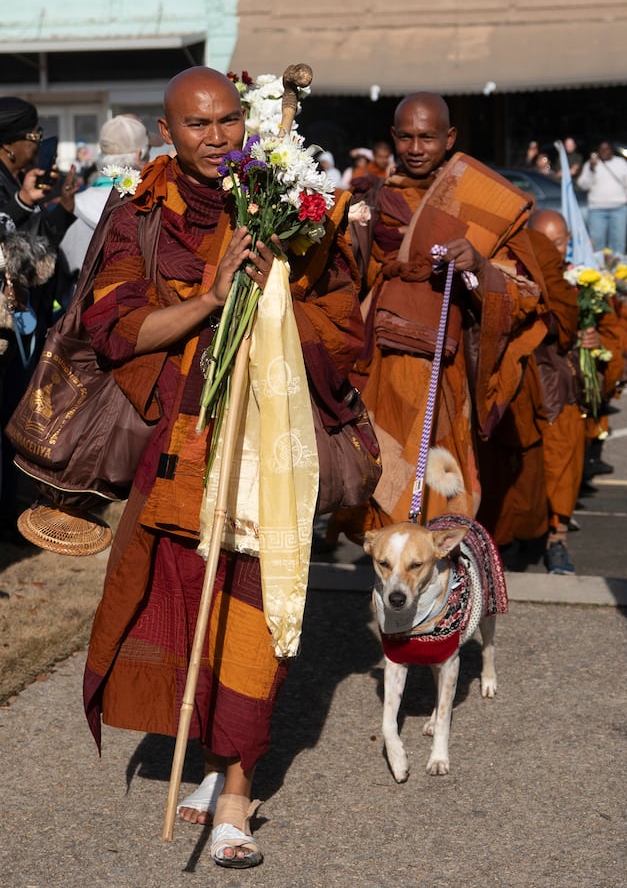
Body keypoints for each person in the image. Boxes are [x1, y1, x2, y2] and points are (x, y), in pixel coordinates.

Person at [82, 66, 364, 868]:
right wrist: (212, 300)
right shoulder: (141, 212)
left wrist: (276, 298)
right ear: (167, 133)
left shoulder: (288, 201)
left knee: (251, 610)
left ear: (249, 120)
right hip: (182, 445)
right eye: (197, 126)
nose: (216, 140)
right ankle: (207, 760)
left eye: (228, 122)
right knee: (183, 611)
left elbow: (344, 320)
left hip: (267, 450)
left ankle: (235, 797)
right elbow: (115, 331)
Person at [333, 92, 545, 532]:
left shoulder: (482, 202)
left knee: (440, 467)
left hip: (445, 367)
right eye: (406, 137)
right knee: (382, 464)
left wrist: (480, 267)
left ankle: (443, 571)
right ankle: (394, 572)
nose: (415, 148)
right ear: (392, 138)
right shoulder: (372, 199)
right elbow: (347, 277)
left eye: (427, 137)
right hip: (382, 361)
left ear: (449, 138)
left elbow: (526, 291)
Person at [475, 209, 581, 573]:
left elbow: (565, 316)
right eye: (547, 240)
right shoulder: (483, 241)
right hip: (488, 369)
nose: (553, 247)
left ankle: (556, 536)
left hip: (541, 371)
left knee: (553, 457)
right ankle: (497, 542)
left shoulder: (542, 255)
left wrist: (529, 308)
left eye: (560, 241)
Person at [0, 97, 78, 539]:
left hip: (12, 333)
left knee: (10, 428)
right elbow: (20, 262)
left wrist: (45, 210)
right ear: (9, 145)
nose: (39, 147)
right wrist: (42, 214)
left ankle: (6, 517)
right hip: (4, 330)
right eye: (34, 138)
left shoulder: (11, 185)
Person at [61, 115, 151, 299]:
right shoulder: (150, 206)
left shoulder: (69, 208)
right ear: (139, 156)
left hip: (80, 320)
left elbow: (61, 283)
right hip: (142, 318)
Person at [576, 141, 627, 255]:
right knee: (596, 242)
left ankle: (617, 270)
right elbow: (582, 185)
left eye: (607, 149)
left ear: (612, 150)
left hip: (619, 209)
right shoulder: (591, 164)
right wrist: (591, 170)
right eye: (601, 149)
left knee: (618, 243)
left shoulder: (621, 163)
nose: (604, 152)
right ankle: (598, 269)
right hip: (597, 209)